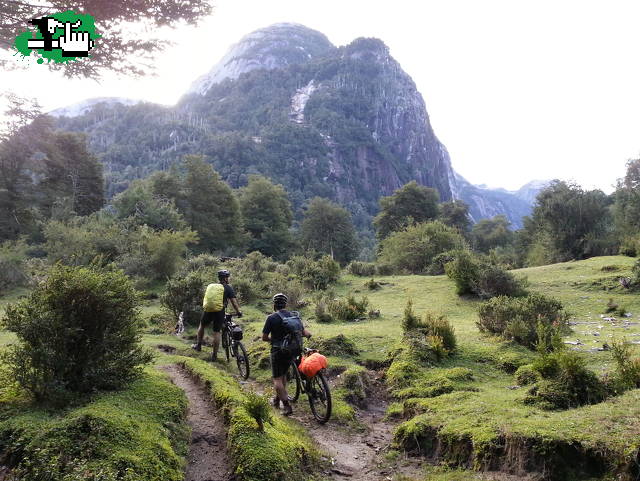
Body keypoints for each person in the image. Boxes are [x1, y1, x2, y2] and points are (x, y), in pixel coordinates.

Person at [262, 293, 311, 416]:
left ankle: (287, 406)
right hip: (293, 351)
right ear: (285, 304)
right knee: (283, 375)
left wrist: (273, 341)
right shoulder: (294, 316)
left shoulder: (271, 318)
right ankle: (277, 400)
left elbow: (264, 338)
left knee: (277, 379)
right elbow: (304, 332)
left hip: (278, 351)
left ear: (274, 305)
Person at [192, 269, 242, 360]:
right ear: (226, 278)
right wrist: (238, 312)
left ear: (219, 278)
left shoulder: (212, 286)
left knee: (202, 325)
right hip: (219, 311)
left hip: (208, 310)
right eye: (228, 277)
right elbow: (234, 302)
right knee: (217, 332)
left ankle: (198, 346)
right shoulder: (228, 287)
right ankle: (214, 355)